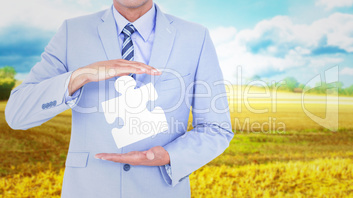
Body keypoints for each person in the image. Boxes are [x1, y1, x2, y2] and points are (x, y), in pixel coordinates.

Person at [5, 0, 233, 197]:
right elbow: (17, 114)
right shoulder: (71, 32)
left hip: (160, 190)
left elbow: (216, 128)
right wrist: (80, 76)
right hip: (88, 191)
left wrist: (168, 156)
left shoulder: (195, 37)